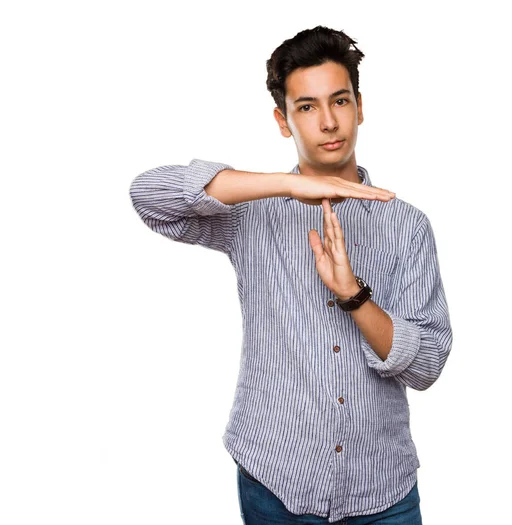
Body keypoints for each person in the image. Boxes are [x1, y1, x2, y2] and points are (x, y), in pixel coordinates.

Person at [129, 25, 452, 525]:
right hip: (276, 479)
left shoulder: (407, 225)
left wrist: (354, 297)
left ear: (360, 107)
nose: (328, 122)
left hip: (382, 490)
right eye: (306, 107)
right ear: (283, 120)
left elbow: (427, 364)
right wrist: (285, 184)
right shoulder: (253, 212)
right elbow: (149, 196)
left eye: (340, 101)